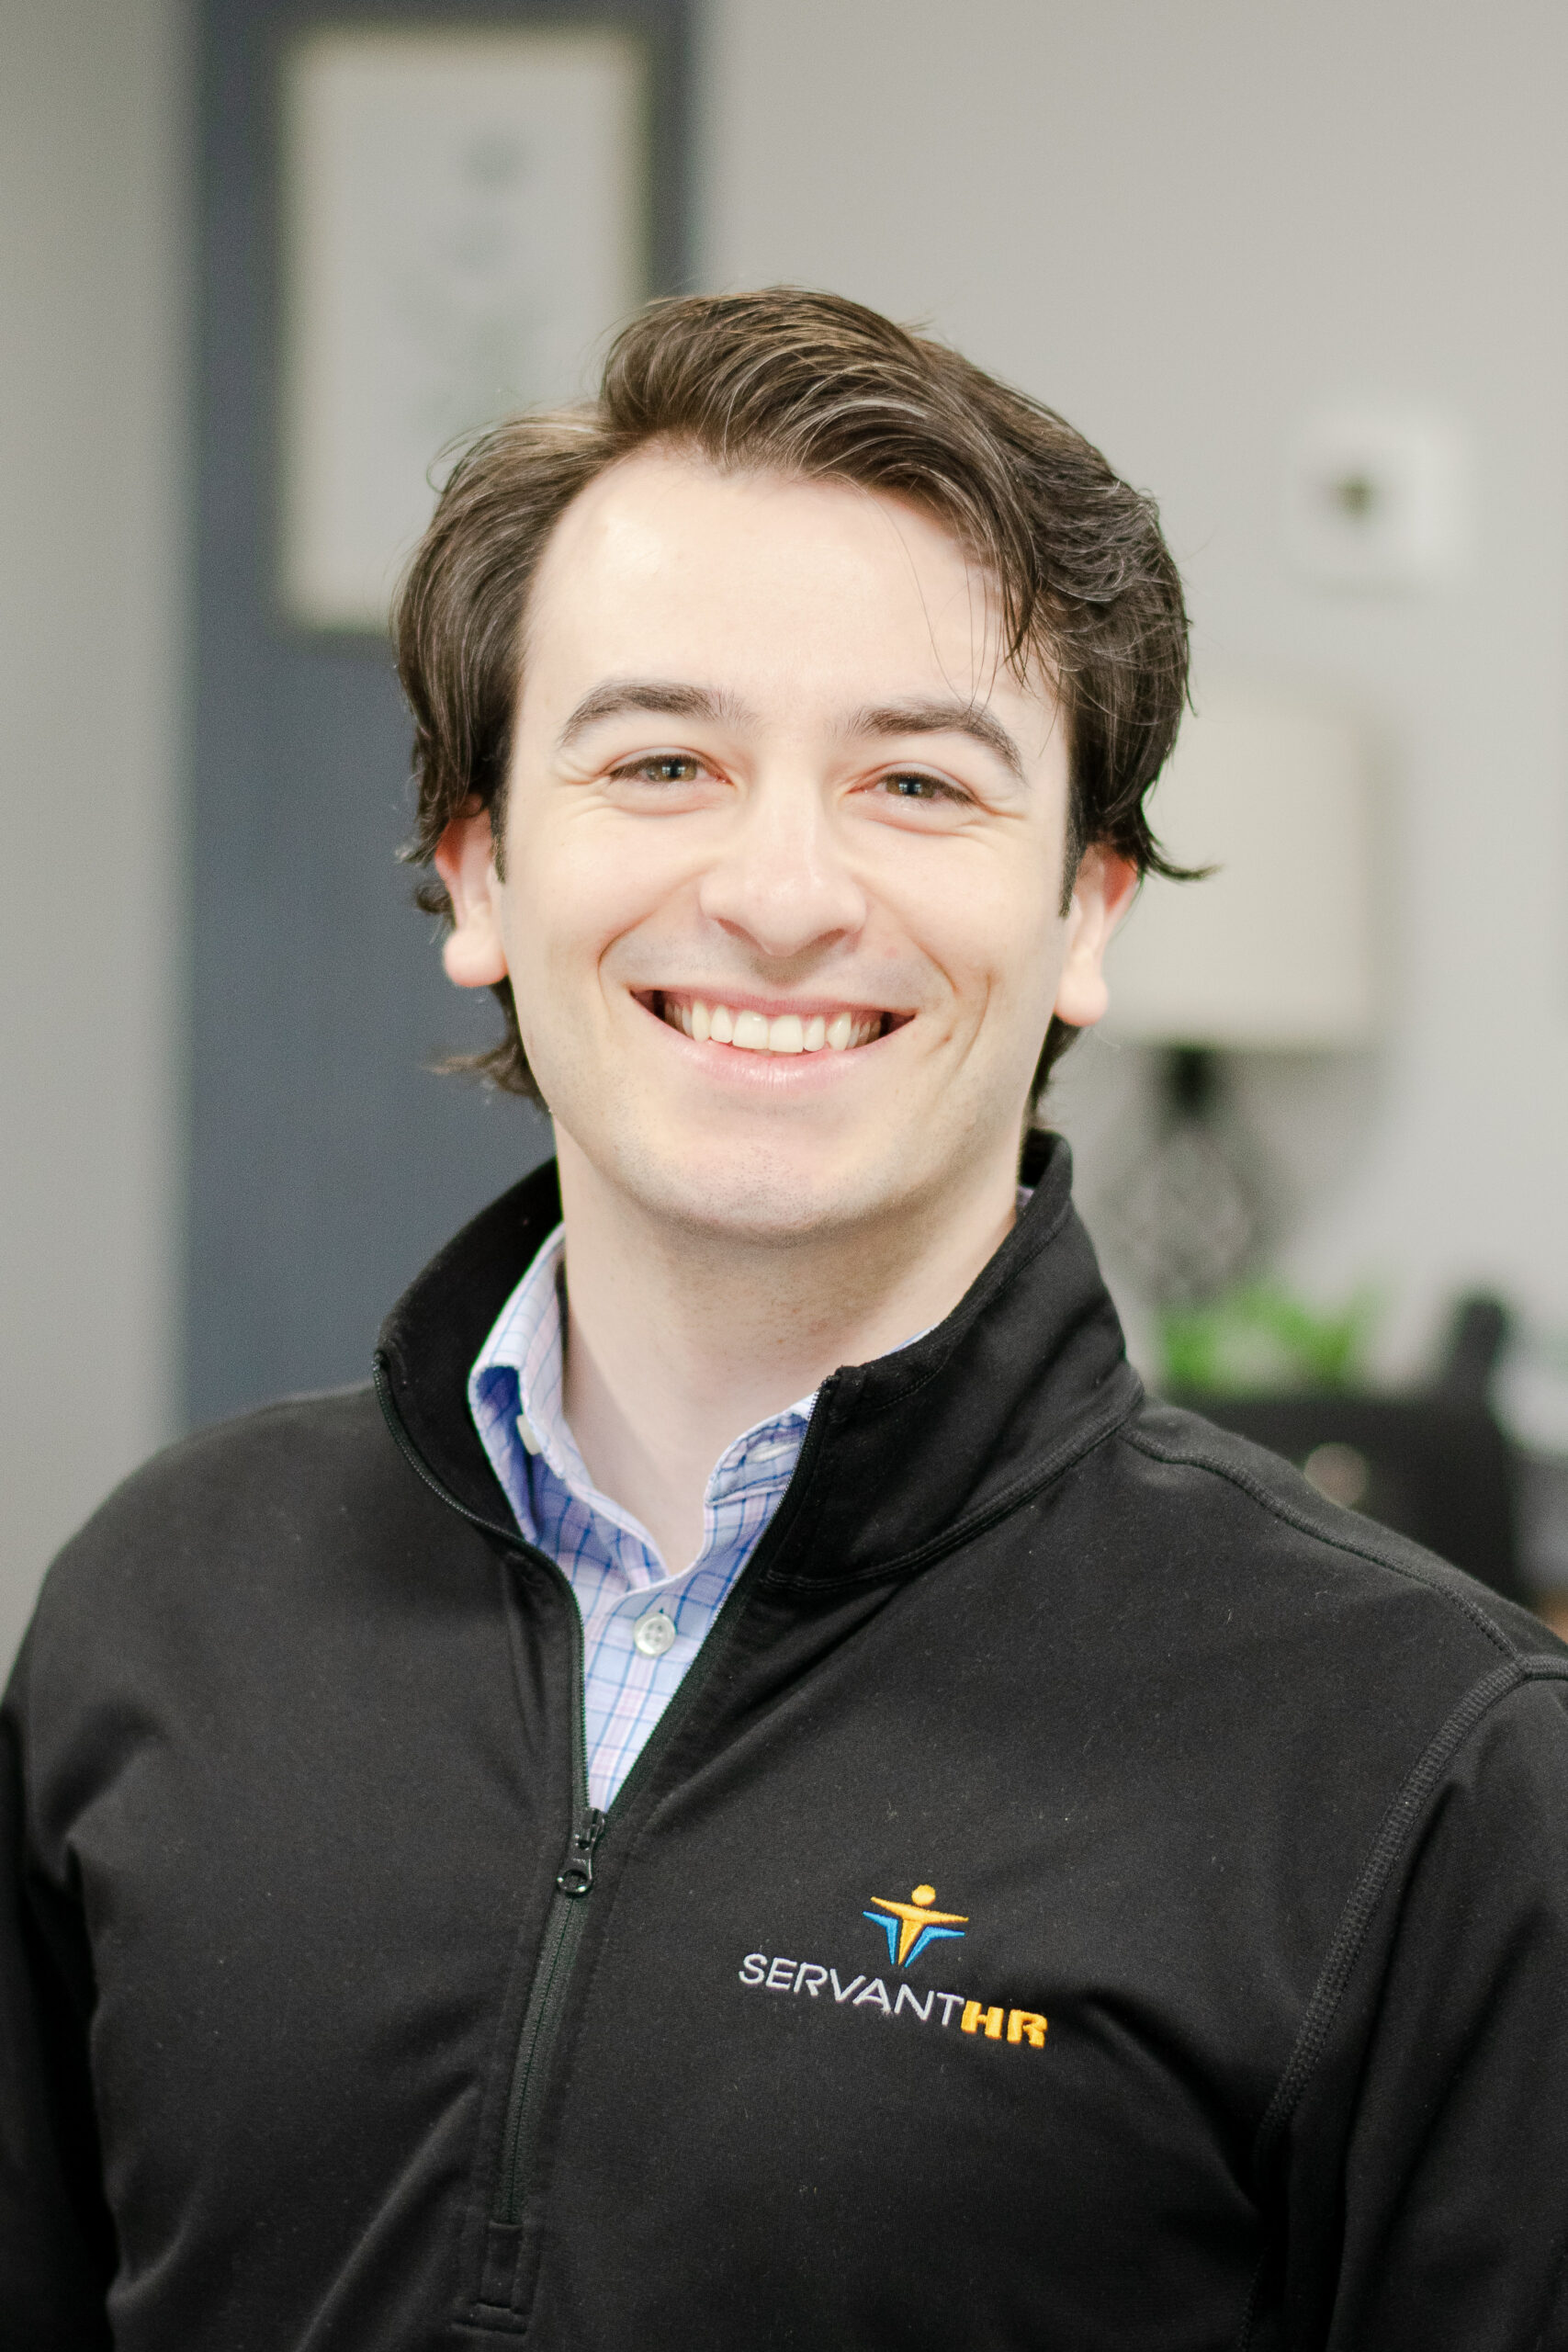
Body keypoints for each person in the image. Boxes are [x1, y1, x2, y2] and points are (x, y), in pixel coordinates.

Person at [5, 289, 1567, 2352]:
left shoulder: (1418, 1762)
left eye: (916, 785)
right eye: (660, 758)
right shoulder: (163, 1600)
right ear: (476, 864)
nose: (778, 888)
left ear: (1087, 906)